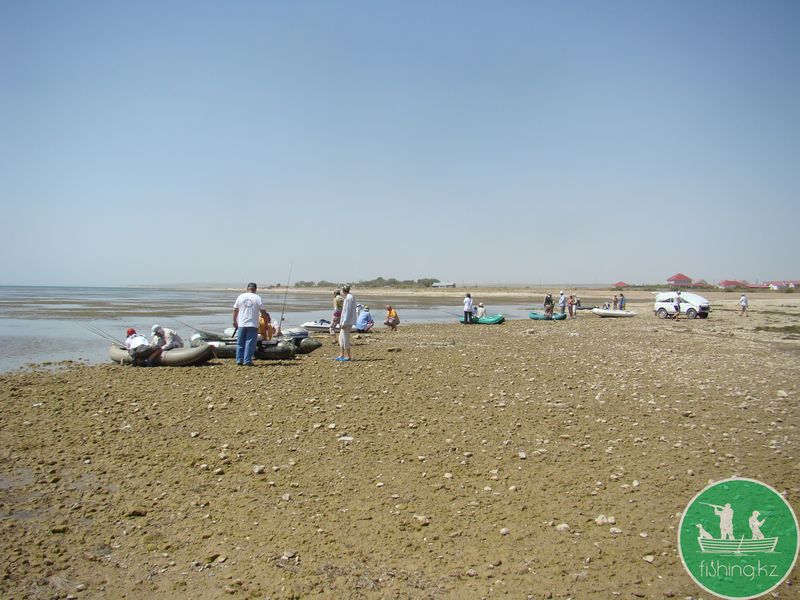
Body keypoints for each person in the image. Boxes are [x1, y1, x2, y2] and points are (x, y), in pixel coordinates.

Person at [232, 282, 271, 366]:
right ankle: (247, 360)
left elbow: (235, 310)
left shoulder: (240, 297)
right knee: (250, 343)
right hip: (253, 324)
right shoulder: (258, 298)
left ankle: (239, 359)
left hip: (242, 323)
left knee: (240, 342)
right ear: (255, 289)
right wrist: (266, 324)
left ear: (247, 288)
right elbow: (263, 312)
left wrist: (234, 321)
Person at [337, 284, 356, 361]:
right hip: (345, 321)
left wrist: (344, 322)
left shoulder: (349, 298)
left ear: (343, 290)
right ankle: (341, 355)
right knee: (341, 338)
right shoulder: (349, 297)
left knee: (345, 338)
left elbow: (347, 312)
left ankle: (348, 356)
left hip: (347, 322)